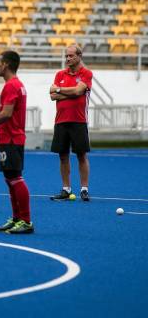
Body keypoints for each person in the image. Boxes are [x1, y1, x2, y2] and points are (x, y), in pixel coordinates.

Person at [0, 50, 33, 234]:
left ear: (7, 65)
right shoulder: (17, 85)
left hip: (12, 138)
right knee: (10, 178)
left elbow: (7, 113)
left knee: (15, 178)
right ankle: (17, 218)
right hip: (10, 137)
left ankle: (25, 220)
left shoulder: (11, 86)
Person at [49, 44, 92, 202]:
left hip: (79, 121)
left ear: (79, 56)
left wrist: (60, 90)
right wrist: (70, 92)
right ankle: (66, 189)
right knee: (62, 156)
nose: (67, 59)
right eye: (66, 56)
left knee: (81, 155)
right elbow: (52, 96)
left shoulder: (86, 73)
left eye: (71, 56)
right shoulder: (60, 73)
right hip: (61, 120)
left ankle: (84, 189)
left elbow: (78, 91)